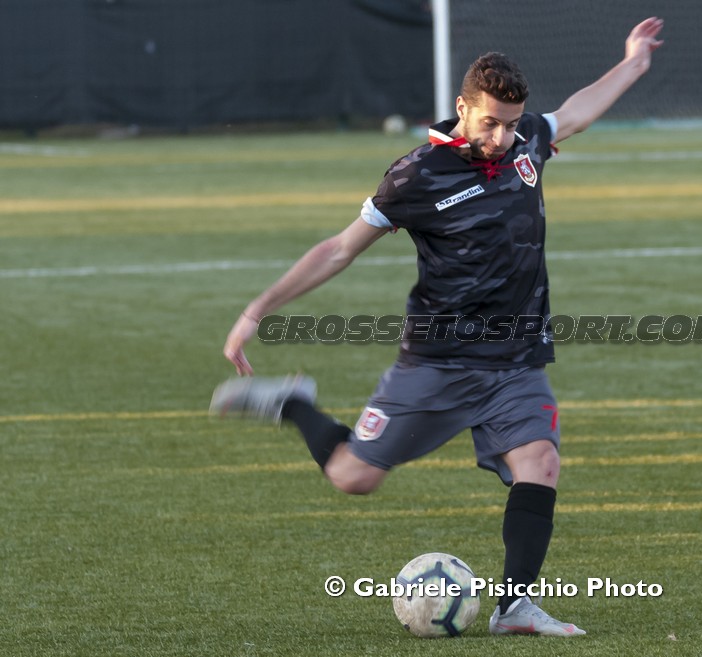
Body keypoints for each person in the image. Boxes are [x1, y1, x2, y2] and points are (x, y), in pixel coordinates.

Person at [210, 17, 664, 637]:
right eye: (490, 123)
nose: (502, 137)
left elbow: (575, 113)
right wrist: (256, 311)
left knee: (540, 461)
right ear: (462, 108)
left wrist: (633, 62)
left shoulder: (526, 140)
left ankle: (515, 607)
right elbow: (339, 249)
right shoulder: (416, 176)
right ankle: (293, 403)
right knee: (353, 477)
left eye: (511, 124)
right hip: (439, 360)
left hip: (516, 359)